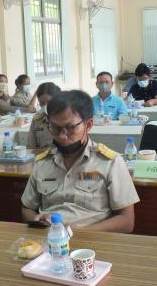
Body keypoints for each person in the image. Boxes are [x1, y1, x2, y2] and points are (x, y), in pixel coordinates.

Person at [21, 90, 139, 232]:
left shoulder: (110, 162)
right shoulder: (42, 162)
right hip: (50, 239)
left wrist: (81, 232)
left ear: (88, 125)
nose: (62, 136)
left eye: (70, 128)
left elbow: (126, 221)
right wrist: (36, 219)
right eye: (55, 128)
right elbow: (27, 208)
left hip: (92, 243)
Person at [27, 82, 61, 149]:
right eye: (42, 103)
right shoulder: (37, 120)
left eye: (50, 102)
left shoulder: (66, 119)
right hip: (41, 157)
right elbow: (30, 147)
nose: (46, 106)